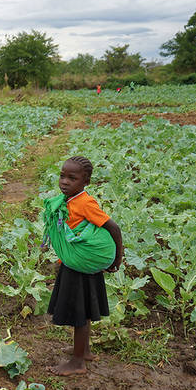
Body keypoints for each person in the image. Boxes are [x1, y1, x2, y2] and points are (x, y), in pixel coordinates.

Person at [42, 156, 123, 376]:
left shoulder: (85, 202)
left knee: (78, 313)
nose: (65, 181)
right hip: (78, 263)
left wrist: (118, 258)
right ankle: (84, 350)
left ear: (85, 181)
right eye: (62, 176)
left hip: (81, 267)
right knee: (84, 310)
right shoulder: (68, 200)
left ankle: (77, 362)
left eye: (72, 178)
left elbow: (113, 228)